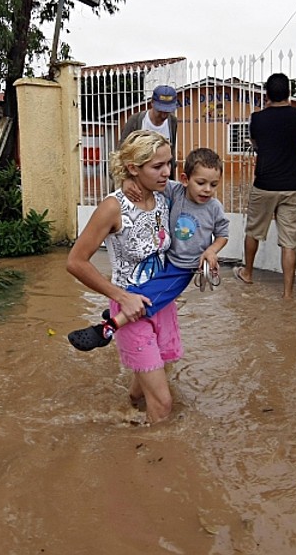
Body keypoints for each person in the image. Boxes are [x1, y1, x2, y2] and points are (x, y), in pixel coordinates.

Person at [66, 130, 179, 424]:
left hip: (163, 305)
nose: (167, 172)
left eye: (169, 164)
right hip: (130, 310)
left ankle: (129, 407)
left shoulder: (165, 195)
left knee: (148, 387)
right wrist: (120, 296)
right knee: (164, 403)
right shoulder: (114, 207)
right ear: (133, 168)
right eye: (157, 166)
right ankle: (154, 461)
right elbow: (76, 262)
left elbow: (202, 193)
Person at [68, 147, 230, 350]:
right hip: (167, 260)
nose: (207, 190)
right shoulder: (176, 191)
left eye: (214, 185)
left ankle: (111, 322)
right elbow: (147, 181)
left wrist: (212, 250)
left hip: (185, 268)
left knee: (154, 297)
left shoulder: (214, 207)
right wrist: (126, 182)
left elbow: (223, 234)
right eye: (201, 183)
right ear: (185, 179)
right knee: (152, 294)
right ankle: (110, 322)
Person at [234, 73, 296, 298]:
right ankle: (288, 293)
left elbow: (256, 144)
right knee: (289, 241)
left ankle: (248, 273)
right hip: (293, 185)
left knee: (254, 231)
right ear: (290, 92)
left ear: (266, 94)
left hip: (265, 184)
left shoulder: (257, 119)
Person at [120, 85, 179, 178]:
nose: (164, 115)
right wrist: (126, 180)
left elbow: (171, 151)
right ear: (152, 102)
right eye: (160, 110)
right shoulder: (136, 121)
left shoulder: (172, 122)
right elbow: (122, 152)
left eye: (167, 111)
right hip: (138, 178)